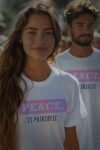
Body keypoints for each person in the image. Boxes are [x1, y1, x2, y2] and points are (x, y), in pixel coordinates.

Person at [0, 1, 84, 150]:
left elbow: (71, 142)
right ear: (20, 37)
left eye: (48, 32)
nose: (40, 39)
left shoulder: (69, 83)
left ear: (56, 37)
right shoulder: (4, 83)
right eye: (32, 32)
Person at [55, 0, 100, 150]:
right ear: (69, 28)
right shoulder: (57, 64)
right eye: (80, 25)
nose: (86, 30)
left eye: (90, 25)